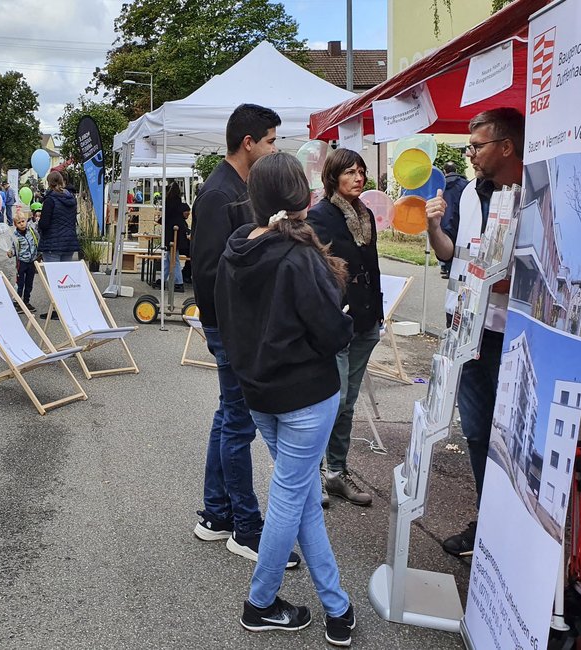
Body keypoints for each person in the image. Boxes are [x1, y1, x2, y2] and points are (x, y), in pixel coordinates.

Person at [215, 152, 357, 645]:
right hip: (305, 396)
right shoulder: (298, 256)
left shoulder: (237, 250)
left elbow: (226, 323)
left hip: (260, 394)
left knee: (300, 499)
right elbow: (332, 332)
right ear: (304, 196)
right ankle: (260, 603)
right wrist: (343, 319)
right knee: (290, 499)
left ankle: (337, 606)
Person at [190, 103, 299, 568]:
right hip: (232, 327)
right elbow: (208, 271)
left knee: (229, 417)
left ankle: (217, 514)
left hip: (237, 325)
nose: (275, 148)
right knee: (239, 423)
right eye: (271, 140)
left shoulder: (240, 187)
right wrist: (227, 329)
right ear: (248, 142)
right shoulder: (220, 193)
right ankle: (245, 528)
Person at [425, 107, 524, 557]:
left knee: (513, 437)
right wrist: (432, 226)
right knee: (479, 431)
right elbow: (451, 253)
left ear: (506, 147)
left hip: (512, 334)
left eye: (476, 146)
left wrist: (512, 282)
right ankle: (487, 521)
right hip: (467, 330)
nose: (470, 154)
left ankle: (516, 534)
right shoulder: (467, 194)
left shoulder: (535, 196)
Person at [307, 148, 383, 508]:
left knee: (348, 403)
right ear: (333, 176)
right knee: (333, 402)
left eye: (361, 171)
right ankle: (313, 474)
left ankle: (336, 471)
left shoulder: (365, 215)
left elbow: (373, 266)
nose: (358, 178)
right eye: (350, 172)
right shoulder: (320, 216)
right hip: (338, 320)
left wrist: (378, 312)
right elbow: (318, 271)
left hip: (366, 320)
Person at [37, 170, 79, 264]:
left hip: (52, 244)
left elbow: (44, 224)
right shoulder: (71, 199)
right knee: (65, 272)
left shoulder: (50, 200)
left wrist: (38, 222)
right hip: (69, 243)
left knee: (53, 272)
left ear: (49, 183)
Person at [156, 181, 190, 292]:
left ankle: (179, 282)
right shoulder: (178, 203)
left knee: (173, 259)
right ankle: (162, 280)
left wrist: (160, 221)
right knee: (169, 258)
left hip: (172, 234)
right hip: (178, 233)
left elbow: (167, 216)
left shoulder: (169, 202)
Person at [438, 161, 469, 279]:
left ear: (444, 171)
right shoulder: (465, 184)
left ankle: (445, 267)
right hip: (459, 217)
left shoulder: (440, 184)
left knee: (444, 241)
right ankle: (454, 270)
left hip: (443, 217)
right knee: (458, 242)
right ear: (456, 170)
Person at [7, 212, 40, 312]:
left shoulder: (31, 230)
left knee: (29, 283)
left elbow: (37, 237)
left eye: (23, 221)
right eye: (19, 222)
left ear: (26, 221)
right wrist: (11, 253)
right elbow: (13, 248)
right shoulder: (15, 236)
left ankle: (26, 302)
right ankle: (17, 302)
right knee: (20, 283)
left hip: (32, 261)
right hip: (21, 262)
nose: (21, 224)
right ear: (15, 224)